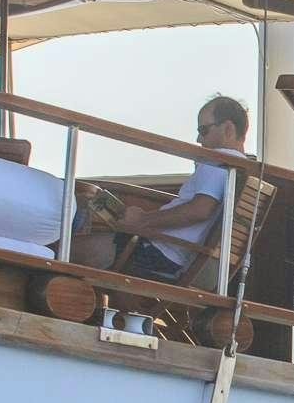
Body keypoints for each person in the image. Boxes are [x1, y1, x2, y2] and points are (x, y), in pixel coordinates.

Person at [71, 95, 242, 285]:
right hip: (169, 253)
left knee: (67, 250)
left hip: (158, 253)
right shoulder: (237, 168)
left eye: (204, 130)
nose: (198, 139)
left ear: (228, 129)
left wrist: (142, 221)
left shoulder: (217, 163)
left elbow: (199, 210)